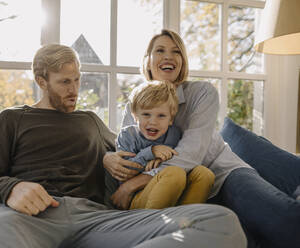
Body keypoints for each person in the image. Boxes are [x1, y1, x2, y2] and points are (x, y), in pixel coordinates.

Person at [0, 43, 246, 248]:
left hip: (95, 218)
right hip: (26, 218)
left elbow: (129, 152)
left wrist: (109, 157)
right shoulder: (14, 118)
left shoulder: (90, 121)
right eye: (64, 82)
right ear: (41, 82)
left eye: (77, 80)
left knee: (221, 222)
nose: (74, 90)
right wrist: (11, 188)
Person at [103, 29, 300, 248]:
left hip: (223, 173)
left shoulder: (202, 92)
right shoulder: (136, 103)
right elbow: (128, 150)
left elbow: (192, 152)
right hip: (180, 189)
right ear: (147, 61)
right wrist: (108, 158)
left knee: (280, 217)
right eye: (160, 50)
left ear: (182, 61)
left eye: (176, 52)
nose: (168, 56)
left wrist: (131, 186)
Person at [113, 80, 215, 210]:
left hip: (171, 192)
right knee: (174, 172)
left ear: (171, 119)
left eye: (161, 116)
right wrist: (151, 152)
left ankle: (184, 221)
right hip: (136, 196)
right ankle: (153, 224)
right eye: (146, 114)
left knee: (204, 174)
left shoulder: (173, 134)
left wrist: (159, 160)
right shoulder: (128, 135)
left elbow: (175, 160)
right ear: (135, 116)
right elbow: (125, 173)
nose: (153, 122)